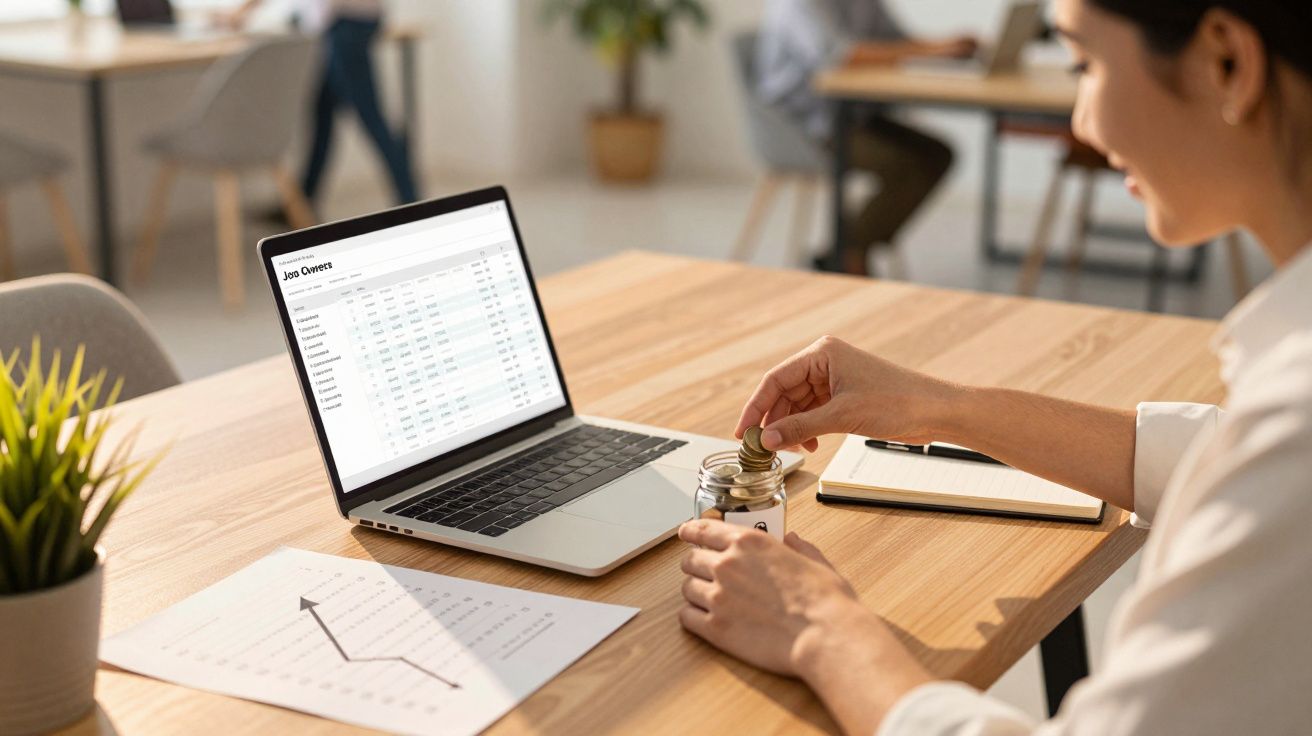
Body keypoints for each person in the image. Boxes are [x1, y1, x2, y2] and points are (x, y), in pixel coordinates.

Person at [681, 0, 1312, 733]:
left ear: (1226, 64)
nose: (1080, 122)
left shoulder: (1294, 430)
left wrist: (818, 626)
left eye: (1087, 64)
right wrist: (934, 405)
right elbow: (1213, 452)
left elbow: (1266, 461)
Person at [757, 0, 976, 275]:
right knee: (904, 164)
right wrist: (931, 50)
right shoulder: (796, 4)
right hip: (808, 125)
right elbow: (839, 56)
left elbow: (897, 41)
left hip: (856, 115)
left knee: (937, 155)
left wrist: (943, 47)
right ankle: (849, 255)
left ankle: (844, 251)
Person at [218, 0, 419, 207]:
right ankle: (303, 202)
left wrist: (240, 13)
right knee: (323, 114)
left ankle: (411, 201)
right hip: (344, 23)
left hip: (346, 24)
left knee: (371, 118)